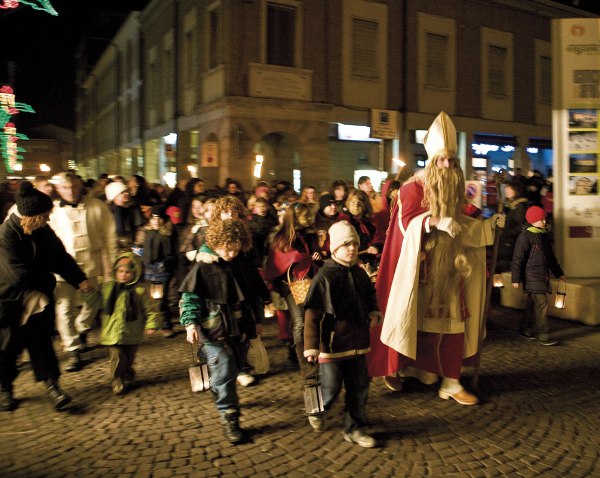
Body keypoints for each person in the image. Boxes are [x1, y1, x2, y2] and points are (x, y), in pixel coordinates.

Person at [372, 111, 505, 405]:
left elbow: (464, 221)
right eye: (441, 159)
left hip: (451, 270)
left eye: (451, 160)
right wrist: (434, 221)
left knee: (454, 324)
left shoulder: (456, 186)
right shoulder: (411, 188)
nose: (447, 165)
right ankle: (417, 371)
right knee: (414, 324)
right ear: (431, 160)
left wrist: (488, 226)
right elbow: (406, 225)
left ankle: (451, 381)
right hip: (418, 271)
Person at [0, 182, 90, 412]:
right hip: (9, 301)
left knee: (42, 345)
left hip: (37, 300)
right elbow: (16, 274)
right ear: (30, 217)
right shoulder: (6, 235)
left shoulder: (41, 230)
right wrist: (48, 281)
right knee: (6, 348)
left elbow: (59, 256)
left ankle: (53, 386)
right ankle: (4, 388)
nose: (48, 219)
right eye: (45, 216)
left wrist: (79, 279)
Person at [179, 220, 259, 443]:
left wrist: (258, 319)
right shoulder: (203, 267)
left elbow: (253, 295)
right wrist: (191, 323)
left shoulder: (241, 262)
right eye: (227, 248)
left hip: (239, 328)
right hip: (213, 329)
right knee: (224, 367)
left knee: (234, 366)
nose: (231, 253)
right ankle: (229, 415)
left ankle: (219, 384)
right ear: (215, 243)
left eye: (235, 248)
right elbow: (190, 297)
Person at [303, 220, 382, 447]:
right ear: (335, 247)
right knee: (330, 389)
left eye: (354, 244)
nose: (352, 249)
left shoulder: (359, 273)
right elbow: (312, 314)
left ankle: (354, 428)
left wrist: (374, 311)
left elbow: (369, 297)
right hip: (332, 346)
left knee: (359, 388)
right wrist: (311, 345)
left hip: (358, 342)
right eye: (346, 244)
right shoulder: (324, 276)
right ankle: (315, 409)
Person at [49, 171, 118, 372]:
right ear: (58, 189)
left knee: (92, 305)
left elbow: (110, 237)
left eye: (74, 186)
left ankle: (80, 329)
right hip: (62, 270)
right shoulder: (53, 211)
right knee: (64, 310)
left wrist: (112, 267)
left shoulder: (97, 206)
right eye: (64, 187)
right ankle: (73, 349)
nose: (70, 191)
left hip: (90, 266)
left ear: (81, 186)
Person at [264, 202, 322, 380]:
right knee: (299, 321)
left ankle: (304, 349)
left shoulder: (310, 235)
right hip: (290, 285)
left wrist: (316, 256)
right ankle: (303, 359)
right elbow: (279, 260)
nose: (308, 218)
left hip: (310, 281)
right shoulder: (281, 237)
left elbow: (315, 254)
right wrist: (299, 258)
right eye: (304, 215)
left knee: (311, 318)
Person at [97, 252, 159, 394]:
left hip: (132, 332)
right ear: (115, 271)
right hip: (112, 332)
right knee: (117, 356)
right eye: (120, 271)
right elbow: (96, 302)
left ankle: (127, 369)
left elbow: (150, 309)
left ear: (134, 273)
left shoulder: (140, 290)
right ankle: (117, 378)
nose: (123, 275)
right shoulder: (108, 288)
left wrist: (152, 324)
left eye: (127, 272)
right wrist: (87, 292)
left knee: (129, 356)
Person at [511, 206, 565, 346]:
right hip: (532, 277)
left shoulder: (543, 236)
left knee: (531, 305)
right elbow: (518, 258)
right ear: (534, 221)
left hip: (540, 277)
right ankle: (543, 335)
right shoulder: (526, 236)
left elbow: (551, 258)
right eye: (542, 219)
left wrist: (559, 273)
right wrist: (515, 278)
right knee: (542, 305)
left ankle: (526, 329)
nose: (545, 221)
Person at [136, 206, 177, 338]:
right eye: (153, 218)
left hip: (161, 272)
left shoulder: (166, 235)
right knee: (151, 299)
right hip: (148, 270)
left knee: (160, 299)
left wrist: (164, 264)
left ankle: (166, 324)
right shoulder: (147, 233)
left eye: (158, 218)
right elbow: (142, 248)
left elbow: (170, 254)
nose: (156, 221)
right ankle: (154, 322)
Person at [495, 181, 528, 274]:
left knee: (508, 269)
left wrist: (505, 232)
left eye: (509, 188)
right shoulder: (511, 205)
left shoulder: (519, 207)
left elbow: (521, 227)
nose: (506, 190)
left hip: (511, 245)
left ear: (516, 191)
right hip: (508, 244)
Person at [105, 181, 145, 251]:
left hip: (132, 248)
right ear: (114, 196)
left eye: (126, 191)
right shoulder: (106, 211)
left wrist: (137, 246)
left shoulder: (133, 208)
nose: (126, 194)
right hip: (112, 249)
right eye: (122, 192)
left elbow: (140, 229)